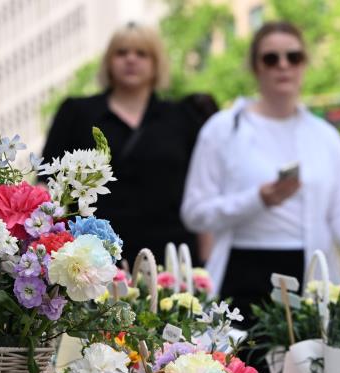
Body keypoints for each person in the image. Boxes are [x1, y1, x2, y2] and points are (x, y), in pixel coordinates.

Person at [181, 20, 340, 326]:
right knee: (241, 356)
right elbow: (195, 212)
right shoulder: (223, 130)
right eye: (271, 58)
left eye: (294, 57)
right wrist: (258, 199)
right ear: (256, 67)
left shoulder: (325, 136)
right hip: (242, 272)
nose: (283, 65)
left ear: (304, 64)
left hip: (309, 274)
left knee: (310, 356)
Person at [42, 23, 215, 265]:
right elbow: (46, 184)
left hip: (173, 256)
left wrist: (208, 262)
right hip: (92, 258)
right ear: (108, 62)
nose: (131, 59)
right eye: (121, 52)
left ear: (156, 64)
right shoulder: (76, 113)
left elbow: (202, 192)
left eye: (141, 53)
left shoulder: (183, 117)